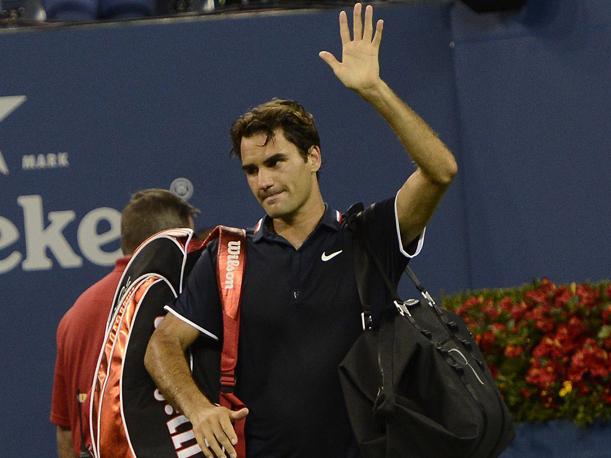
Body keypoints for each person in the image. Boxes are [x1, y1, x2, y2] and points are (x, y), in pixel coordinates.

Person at [145, 3, 458, 458]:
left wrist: (374, 90)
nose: (264, 181)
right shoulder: (229, 259)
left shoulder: (368, 238)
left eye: (276, 162)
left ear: (313, 157)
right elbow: (163, 344)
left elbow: (440, 171)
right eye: (252, 170)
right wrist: (197, 408)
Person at [50, 188, 198, 458]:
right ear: (168, 243)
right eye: (187, 242)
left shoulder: (74, 316)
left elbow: (67, 431)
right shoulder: (185, 295)